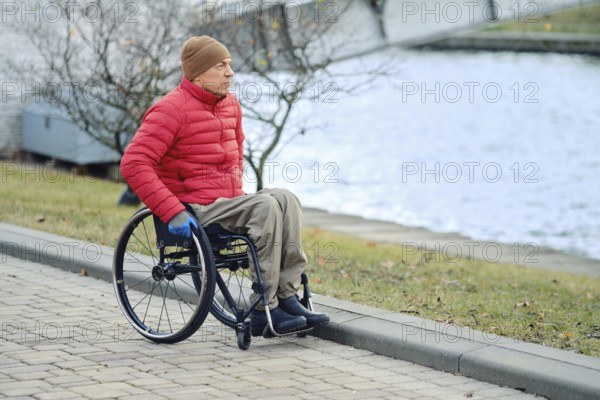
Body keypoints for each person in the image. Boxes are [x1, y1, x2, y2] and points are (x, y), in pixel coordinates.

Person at [120, 35, 329, 337]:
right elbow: (134, 163)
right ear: (199, 72)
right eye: (221, 66)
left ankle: (287, 296)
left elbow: (236, 154)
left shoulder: (230, 104)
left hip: (226, 204)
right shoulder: (169, 110)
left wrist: (236, 196)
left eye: (230, 65)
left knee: (286, 198)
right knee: (266, 205)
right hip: (193, 210)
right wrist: (173, 211)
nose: (230, 73)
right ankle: (263, 309)